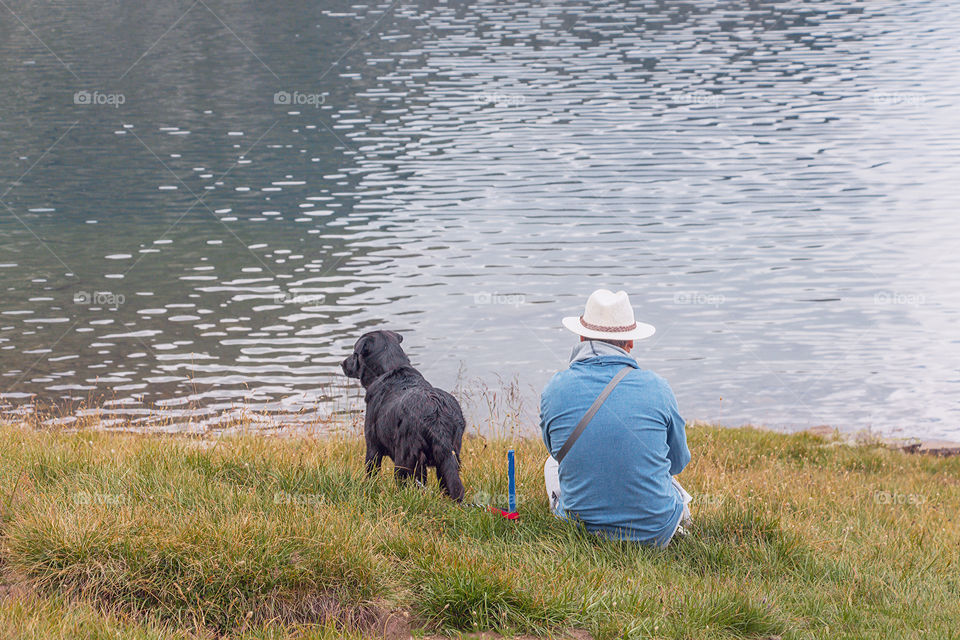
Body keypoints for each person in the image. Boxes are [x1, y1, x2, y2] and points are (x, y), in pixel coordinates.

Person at [540, 289, 692, 547]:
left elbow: (556, 453)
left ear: (580, 335)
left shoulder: (554, 388)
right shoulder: (658, 387)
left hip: (581, 531)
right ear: (631, 342)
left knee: (550, 465)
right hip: (656, 535)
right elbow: (676, 463)